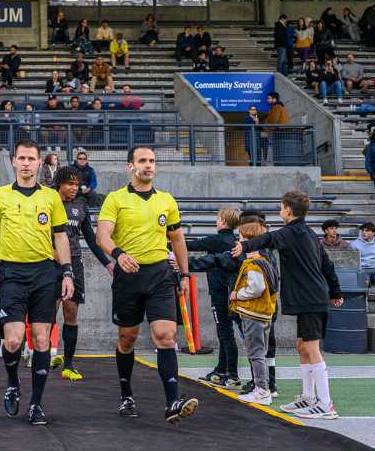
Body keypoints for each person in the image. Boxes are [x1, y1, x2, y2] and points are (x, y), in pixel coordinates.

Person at [96, 145, 198, 423]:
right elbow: (102, 236)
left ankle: (172, 403)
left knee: (166, 336)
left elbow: (177, 239)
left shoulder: (166, 200)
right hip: (128, 277)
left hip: (160, 276)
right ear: (131, 166)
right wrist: (118, 255)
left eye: (152, 161)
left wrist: (185, 276)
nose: (148, 165)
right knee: (126, 339)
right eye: (142, 161)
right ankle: (126, 394)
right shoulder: (115, 199)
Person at [0, 139, 73, 426]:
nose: (26, 163)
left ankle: (36, 403)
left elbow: (60, 236)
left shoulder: (51, 197)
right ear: (13, 161)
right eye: (21, 158)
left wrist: (67, 271)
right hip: (11, 275)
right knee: (13, 340)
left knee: (42, 340)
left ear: (38, 162)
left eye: (31, 159)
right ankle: (12, 383)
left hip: (45, 274)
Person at [231, 190, 343, 419]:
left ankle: (325, 404)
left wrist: (246, 245)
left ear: (288, 210)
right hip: (309, 298)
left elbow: (269, 239)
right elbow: (327, 265)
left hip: (311, 298)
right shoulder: (306, 233)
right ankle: (308, 397)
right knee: (302, 346)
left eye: (281, 207)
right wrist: (335, 290)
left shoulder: (294, 231)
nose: (280, 211)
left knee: (312, 348)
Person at [50, 167, 111, 381]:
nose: (74, 188)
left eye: (77, 184)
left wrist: (108, 264)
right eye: (70, 184)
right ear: (59, 184)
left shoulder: (81, 205)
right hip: (49, 262)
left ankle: (68, 364)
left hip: (75, 262)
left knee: (71, 312)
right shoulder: (47, 201)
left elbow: (91, 239)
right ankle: (42, 355)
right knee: (47, 312)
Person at [186, 206, 242, 389]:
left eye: (218, 218)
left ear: (223, 221)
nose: (216, 221)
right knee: (224, 332)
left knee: (225, 333)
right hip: (229, 291)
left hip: (220, 292)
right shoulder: (234, 241)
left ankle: (232, 374)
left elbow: (191, 245)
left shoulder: (216, 240)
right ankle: (221, 370)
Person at [230, 219, 280, 406]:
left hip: (254, 314)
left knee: (256, 353)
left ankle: (262, 390)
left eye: (241, 237)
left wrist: (237, 294)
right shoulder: (264, 261)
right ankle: (263, 388)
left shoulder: (254, 264)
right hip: (263, 314)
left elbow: (256, 288)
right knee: (260, 352)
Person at [349, 223, 375, 314]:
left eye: (367, 231)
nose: (364, 233)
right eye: (363, 230)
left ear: (373, 233)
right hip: (361, 270)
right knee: (365, 281)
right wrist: (358, 269)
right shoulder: (354, 244)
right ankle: (365, 305)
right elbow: (351, 261)